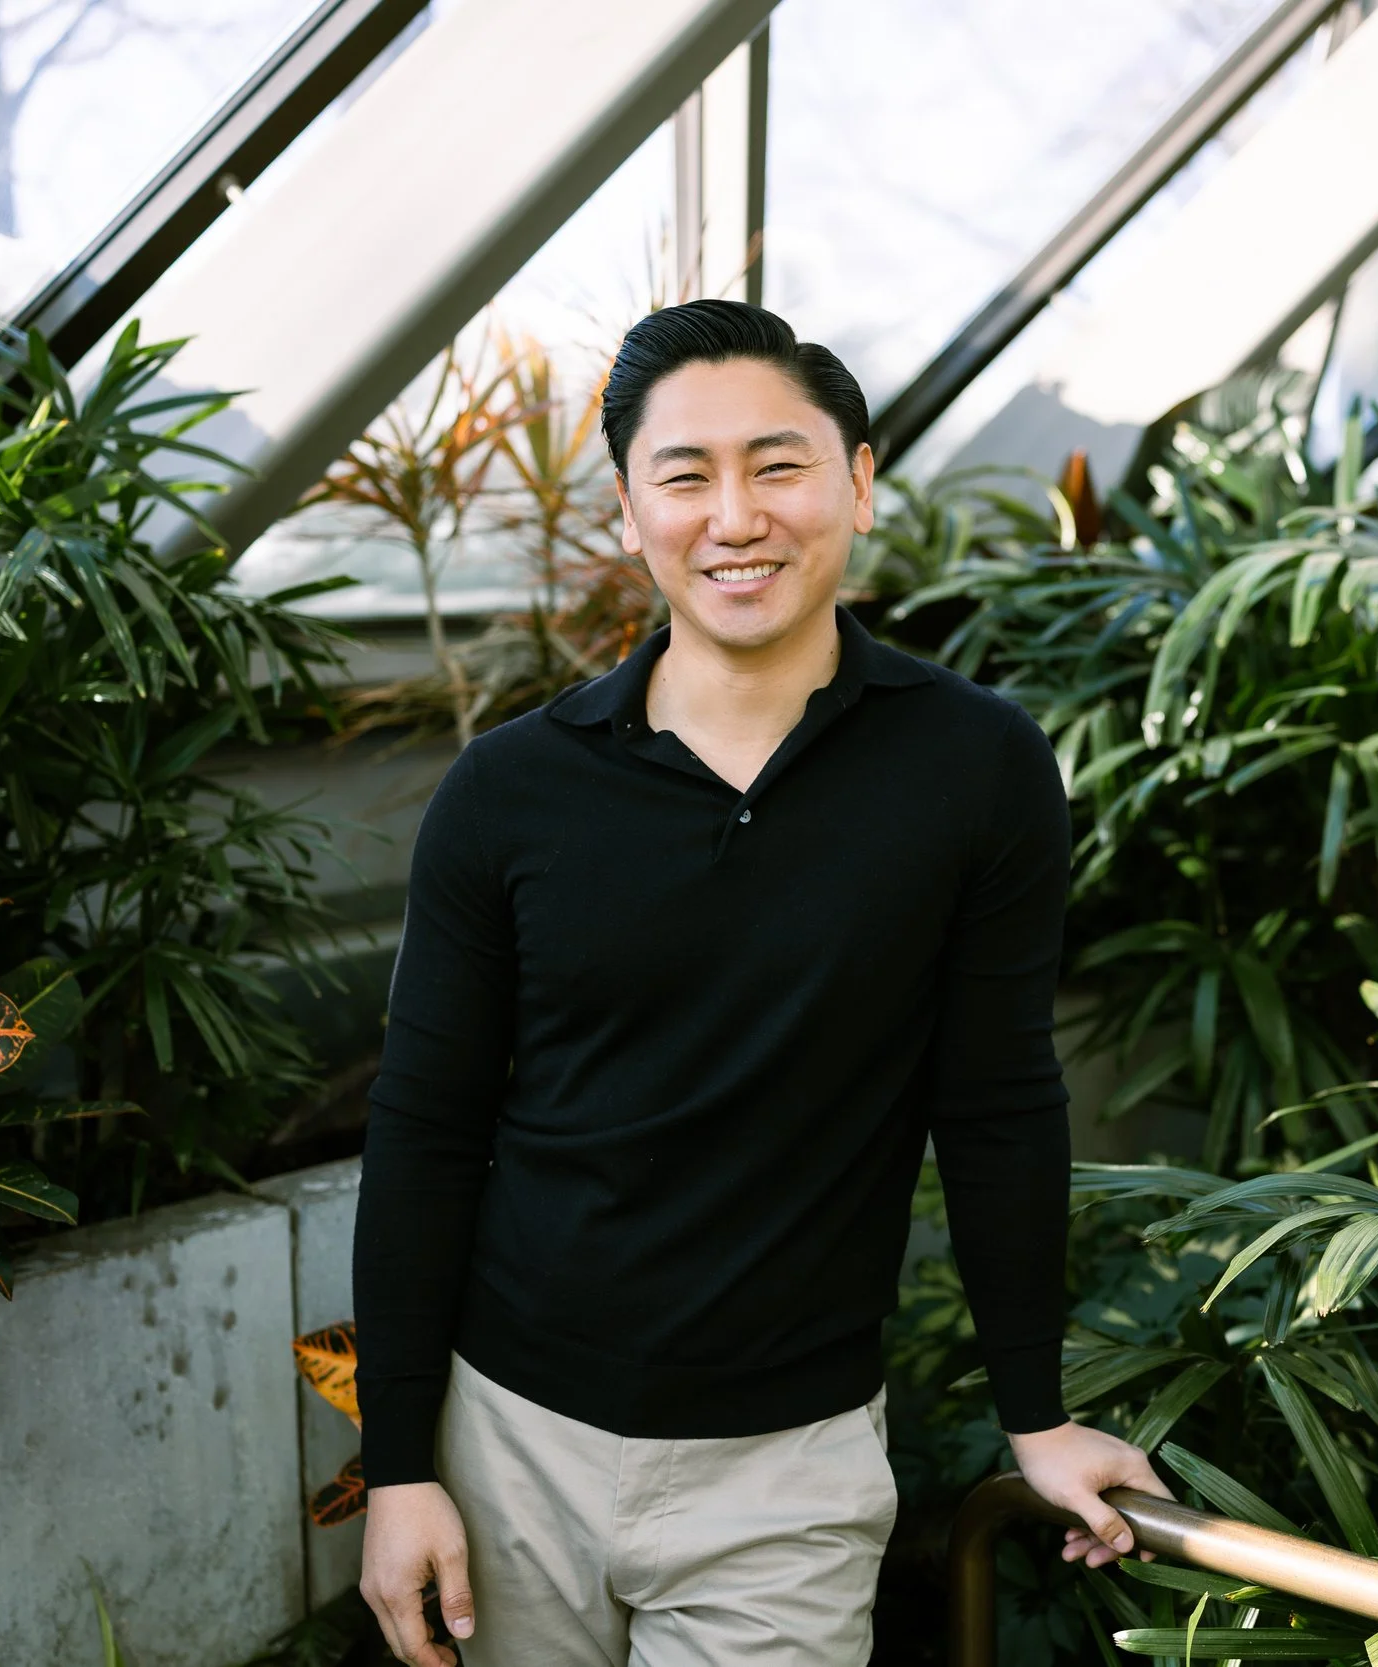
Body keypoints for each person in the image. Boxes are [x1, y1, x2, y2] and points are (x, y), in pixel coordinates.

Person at [352, 298, 1167, 1667]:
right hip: (513, 1446)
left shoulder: (976, 768)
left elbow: (997, 1099)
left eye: (779, 465)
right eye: (687, 475)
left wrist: (1038, 1412)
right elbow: (426, 1126)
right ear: (629, 509)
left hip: (787, 1471)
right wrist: (398, 1467)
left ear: (856, 479)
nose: (736, 516)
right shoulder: (510, 792)